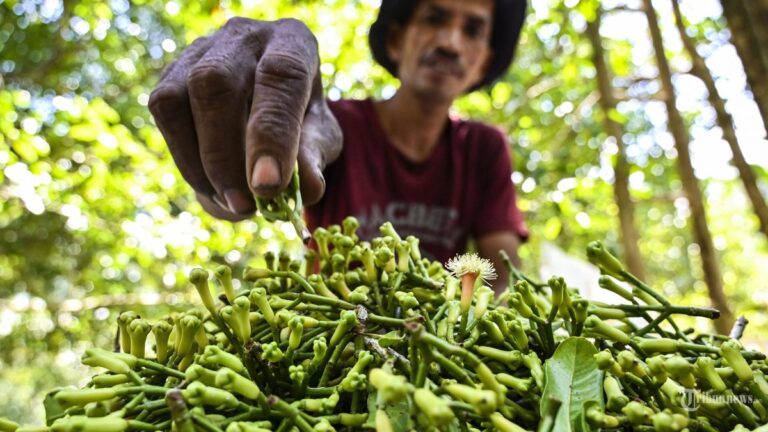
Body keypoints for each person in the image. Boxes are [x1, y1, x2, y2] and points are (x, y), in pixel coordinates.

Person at [149, 0, 529, 294]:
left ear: (484, 63)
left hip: (435, 342)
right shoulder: (335, 123)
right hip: (333, 339)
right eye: (433, 18)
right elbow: (231, 199)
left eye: (473, 30)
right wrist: (230, 162)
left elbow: (501, 269)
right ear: (396, 40)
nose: (450, 43)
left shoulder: (483, 148)